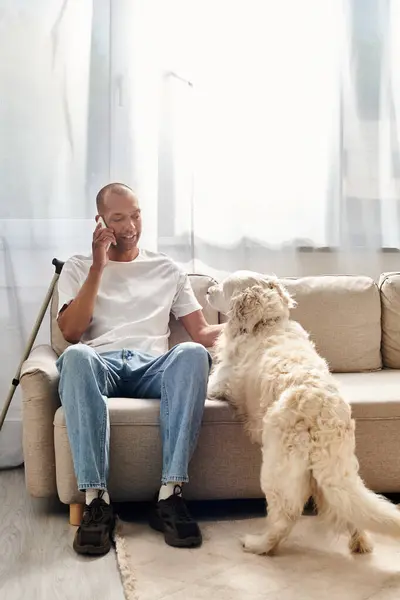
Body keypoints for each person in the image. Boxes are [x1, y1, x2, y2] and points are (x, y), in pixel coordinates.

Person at [56, 183, 224, 556]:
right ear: (100, 221)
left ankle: (169, 495)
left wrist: (250, 321)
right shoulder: (78, 267)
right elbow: (71, 333)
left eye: (136, 215)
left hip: (153, 366)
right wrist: (99, 265)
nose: (130, 225)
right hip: (102, 363)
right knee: (76, 357)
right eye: (119, 218)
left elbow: (202, 332)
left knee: (193, 353)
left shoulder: (167, 269)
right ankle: (97, 500)